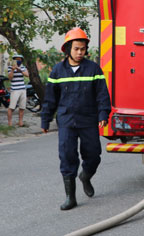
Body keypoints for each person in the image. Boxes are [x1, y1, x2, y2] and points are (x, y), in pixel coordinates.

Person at [41, 28, 111, 210]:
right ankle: (70, 197)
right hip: (66, 121)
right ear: (68, 50)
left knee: (94, 155)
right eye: (76, 49)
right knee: (67, 156)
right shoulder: (57, 71)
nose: (80, 52)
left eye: (83, 49)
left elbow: (102, 94)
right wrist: (45, 120)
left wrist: (103, 114)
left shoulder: (93, 69)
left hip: (88, 120)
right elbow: (50, 98)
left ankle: (85, 176)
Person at [7, 54, 29, 127]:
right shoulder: (10, 67)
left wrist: (19, 70)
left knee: (22, 107)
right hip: (15, 90)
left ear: (21, 60)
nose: (18, 61)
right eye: (16, 59)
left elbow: (27, 75)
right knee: (11, 107)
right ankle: (9, 123)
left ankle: (20, 122)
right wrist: (13, 70)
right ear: (14, 60)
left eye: (20, 59)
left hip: (22, 89)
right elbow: (10, 78)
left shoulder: (23, 67)